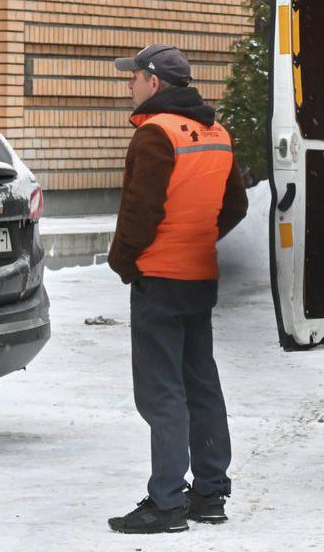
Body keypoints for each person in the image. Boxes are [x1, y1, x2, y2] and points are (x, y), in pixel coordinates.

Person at [106, 44, 248, 535]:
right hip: (199, 277)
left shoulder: (155, 136)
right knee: (201, 384)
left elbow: (139, 214)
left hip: (159, 278)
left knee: (161, 391)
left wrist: (124, 261)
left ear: (155, 82)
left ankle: (166, 502)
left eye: (134, 77)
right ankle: (210, 494)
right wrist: (198, 239)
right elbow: (236, 207)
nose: (129, 85)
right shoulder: (217, 132)